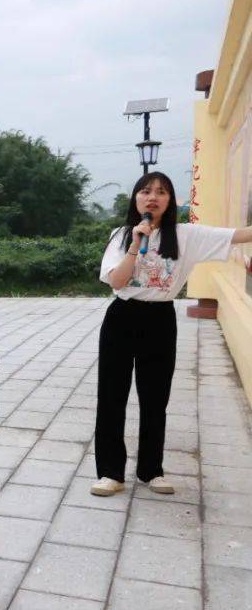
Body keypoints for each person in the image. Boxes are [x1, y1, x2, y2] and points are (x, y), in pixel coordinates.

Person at [92, 171, 252, 497]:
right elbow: (117, 281)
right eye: (146, 191)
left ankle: (151, 471)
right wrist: (136, 243)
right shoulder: (121, 235)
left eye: (161, 192)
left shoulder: (187, 236)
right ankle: (110, 472)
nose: (153, 197)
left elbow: (239, 235)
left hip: (160, 320)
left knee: (155, 398)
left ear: (170, 201)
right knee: (111, 397)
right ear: (135, 198)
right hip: (122, 318)